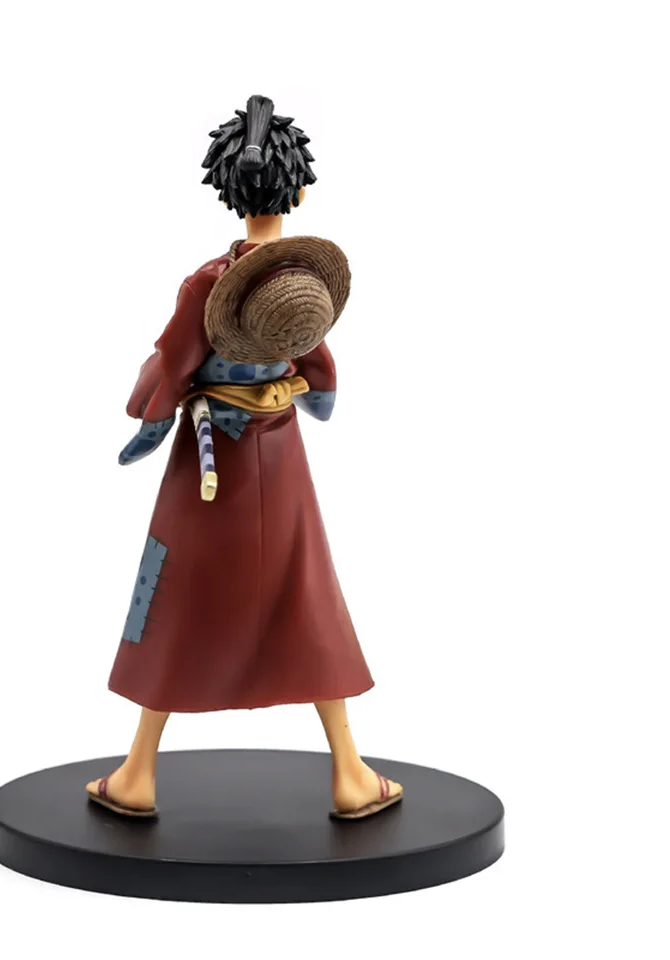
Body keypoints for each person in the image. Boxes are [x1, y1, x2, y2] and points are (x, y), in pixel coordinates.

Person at [86, 95, 403, 820]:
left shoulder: (208, 282)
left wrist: (150, 420)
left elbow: (172, 364)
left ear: (225, 189)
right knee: (305, 595)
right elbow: (320, 373)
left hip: (210, 463)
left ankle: (138, 773)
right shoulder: (300, 281)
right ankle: (349, 772)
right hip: (280, 453)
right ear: (299, 191)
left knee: (174, 599)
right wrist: (308, 392)